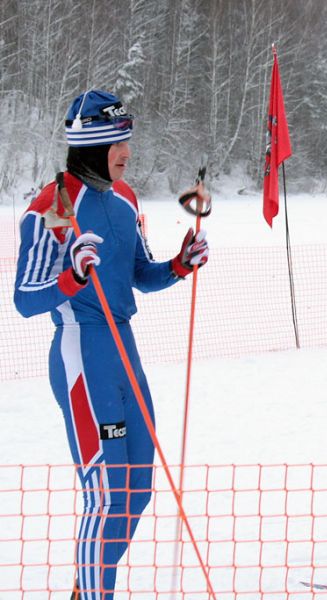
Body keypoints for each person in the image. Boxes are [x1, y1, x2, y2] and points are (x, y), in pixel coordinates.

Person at [13, 90, 210, 600]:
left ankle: (88, 584)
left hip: (126, 349)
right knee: (105, 494)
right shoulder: (52, 206)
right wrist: (72, 277)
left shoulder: (126, 199)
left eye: (128, 140)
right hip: (82, 351)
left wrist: (179, 264)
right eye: (118, 142)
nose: (127, 151)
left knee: (137, 490)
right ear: (92, 145)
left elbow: (140, 274)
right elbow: (25, 299)